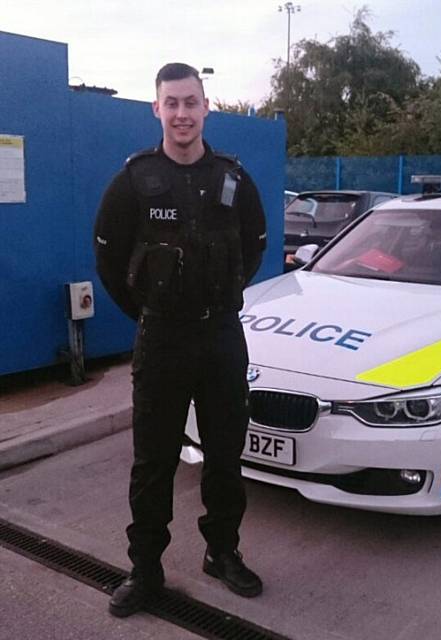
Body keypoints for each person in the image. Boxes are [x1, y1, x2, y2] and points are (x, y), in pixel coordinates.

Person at [94, 62, 267, 617]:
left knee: (224, 457)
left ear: (206, 106)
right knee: (154, 463)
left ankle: (223, 552)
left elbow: (254, 248)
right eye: (172, 103)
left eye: (191, 102)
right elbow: (108, 259)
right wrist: (150, 313)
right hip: (163, 339)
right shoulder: (133, 181)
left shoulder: (233, 179)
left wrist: (214, 301)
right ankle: (145, 571)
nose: (182, 113)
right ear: (157, 109)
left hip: (220, 337)